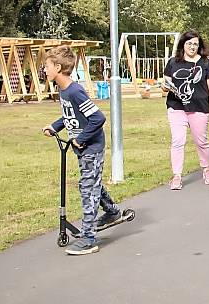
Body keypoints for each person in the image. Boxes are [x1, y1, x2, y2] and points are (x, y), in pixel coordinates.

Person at [41, 45, 127, 256]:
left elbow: (98, 117)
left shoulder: (75, 91)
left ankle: (88, 238)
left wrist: (81, 138)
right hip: (81, 147)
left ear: (58, 67)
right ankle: (112, 212)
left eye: (47, 66)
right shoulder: (63, 91)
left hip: (92, 147)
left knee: (88, 188)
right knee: (91, 183)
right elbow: (71, 116)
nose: (44, 70)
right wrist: (55, 126)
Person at [162, 30, 209, 190]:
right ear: (183, 44)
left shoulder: (206, 63)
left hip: (199, 108)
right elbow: (165, 84)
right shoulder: (173, 62)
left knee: (201, 141)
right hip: (176, 107)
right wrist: (165, 86)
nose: (192, 47)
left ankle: (207, 169)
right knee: (178, 141)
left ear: (199, 46)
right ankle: (177, 175)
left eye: (195, 44)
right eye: (189, 43)